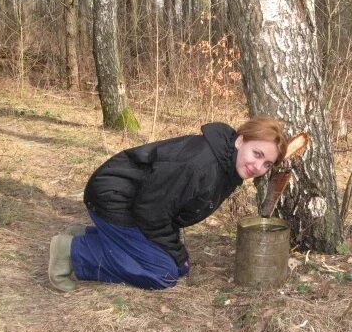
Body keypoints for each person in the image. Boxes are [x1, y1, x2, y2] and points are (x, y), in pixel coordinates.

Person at [48, 116, 287, 292]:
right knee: (162, 273)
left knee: (178, 266)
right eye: (257, 154)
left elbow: (168, 207)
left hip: (138, 204)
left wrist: (175, 252)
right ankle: (72, 251)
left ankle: (93, 238)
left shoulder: (227, 166)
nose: (258, 167)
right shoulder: (201, 164)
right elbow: (151, 211)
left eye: (267, 164)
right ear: (240, 141)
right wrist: (175, 252)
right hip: (114, 198)